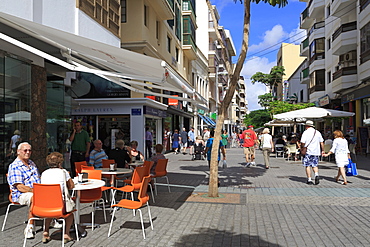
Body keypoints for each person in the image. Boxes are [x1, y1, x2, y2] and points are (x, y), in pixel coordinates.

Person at [7, 142, 41, 239]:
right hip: (21, 194)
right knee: (34, 197)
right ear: (18, 152)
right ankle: (30, 227)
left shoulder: (31, 163)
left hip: (36, 190)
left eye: (29, 150)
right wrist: (37, 191)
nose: (28, 152)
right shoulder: (15, 166)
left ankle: (51, 219)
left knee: (52, 193)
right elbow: (20, 187)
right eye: (25, 150)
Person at [40, 152, 75, 244]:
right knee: (70, 214)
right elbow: (71, 186)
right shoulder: (63, 172)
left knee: (49, 214)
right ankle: (66, 234)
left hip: (44, 205)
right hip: (59, 205)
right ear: (60, 163)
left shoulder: (44, 173)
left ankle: (46, 232)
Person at [300, 120, 324, 185]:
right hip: (316, 151)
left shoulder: (305, 132)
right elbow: (321, 142)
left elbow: (302, 142)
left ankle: (309, 179)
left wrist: (302, 147)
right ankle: (316, 174)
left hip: (308, 151)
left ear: (306, 126)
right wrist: (323, 150)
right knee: (315, 165)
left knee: (307, 165)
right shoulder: (317, 132)